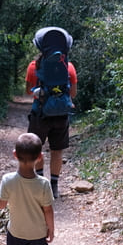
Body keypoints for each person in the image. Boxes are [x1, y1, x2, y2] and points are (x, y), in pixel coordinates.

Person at [0, 132, 55, 245]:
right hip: (37, 232)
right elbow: (48, 210)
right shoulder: (43, 183)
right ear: (40, 157)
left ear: (15, 154)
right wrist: (51, 229)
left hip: (16, 229)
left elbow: (0, 205)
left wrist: (3, 198)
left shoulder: (8, 180)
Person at [25, 40, 78, 199]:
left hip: (40, 113)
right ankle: (54, 186)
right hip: (61, 115)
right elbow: (73, 94)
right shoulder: (69, 67)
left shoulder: (34, 66)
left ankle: (40, 184)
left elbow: (28, 91)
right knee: (57, 150)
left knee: (37, 148)